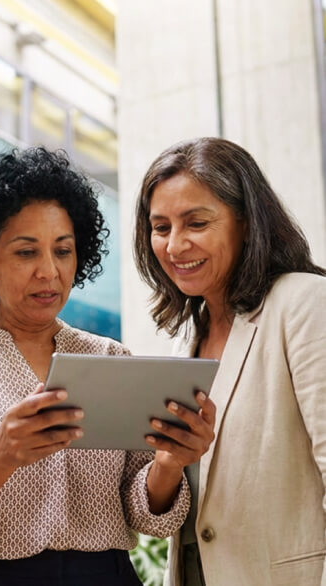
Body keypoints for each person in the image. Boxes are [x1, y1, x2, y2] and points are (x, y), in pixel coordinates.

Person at [0, 147, 216, 586]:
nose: (49, 272)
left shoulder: (110, 358)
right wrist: (1, 455)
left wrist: (168, 464)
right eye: (26, 252)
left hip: (104, 576)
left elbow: (149, 518)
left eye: (63, 251)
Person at [133, 136, 326, 586]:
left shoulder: (303, 303)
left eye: (195, 223)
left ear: (246, 222)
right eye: (160, 228)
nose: (175, 245)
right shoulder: (191, 340)